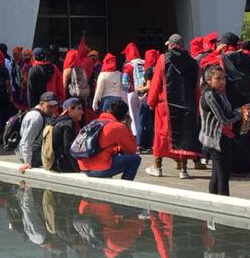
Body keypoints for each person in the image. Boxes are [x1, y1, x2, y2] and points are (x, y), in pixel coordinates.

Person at [145, 34, 201, 178]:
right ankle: (183, 170)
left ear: (170, 45)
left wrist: (150, 102)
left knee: (161, 136)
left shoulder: (163, 59)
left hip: (165, 106)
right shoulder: (193, 62)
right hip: (187, 105)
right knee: (183, 136)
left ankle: (158, 167)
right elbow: (196, 88)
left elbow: (156, 82)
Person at [217, 33, 250, 174]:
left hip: (232, 102)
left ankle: (234, 166)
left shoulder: (224, 58)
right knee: (246, 133)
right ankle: (247, 166)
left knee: (232, 134)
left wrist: (217, 52)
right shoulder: (247, 57)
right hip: (249, 102)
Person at [199, 63, 240, 196]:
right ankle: (224, 201)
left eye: (223, 78)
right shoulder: (209, 95)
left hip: (223, 135)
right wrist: (238, 115)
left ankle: (214, 200)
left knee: (218, 173)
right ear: (208, 79)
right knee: (223, 174)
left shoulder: (218, 94)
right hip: (215, 138)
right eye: (218, 79)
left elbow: (227, 113)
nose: (222, 82)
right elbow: (222, 118)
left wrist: (238, 112)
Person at [76, 97, 140, 181]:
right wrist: (129, 128)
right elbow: (132, 150)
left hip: (83, 166)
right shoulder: (118, 127)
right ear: (124, 117)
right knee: (135, 159)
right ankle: (123, 189)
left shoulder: (95, 122)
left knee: (111, 154)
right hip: (99, 168)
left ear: (108, 111)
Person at [17, 92, 59, 172]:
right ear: (41, 104)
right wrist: (27, 162)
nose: (53, 109)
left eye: (55, 106)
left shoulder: (48, 114)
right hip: (31, 152)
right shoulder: (35, 118)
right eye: (50, 106)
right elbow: (26, 142)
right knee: (58, 157)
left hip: (40, 147)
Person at [48, 97, 84, 173]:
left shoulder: (57, 121)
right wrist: (77, 168)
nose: (82, 112)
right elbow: (68, 149)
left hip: (54, 163)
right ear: (70, 110)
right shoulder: (68, 124)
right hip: (62, 166)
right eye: (79, 109)